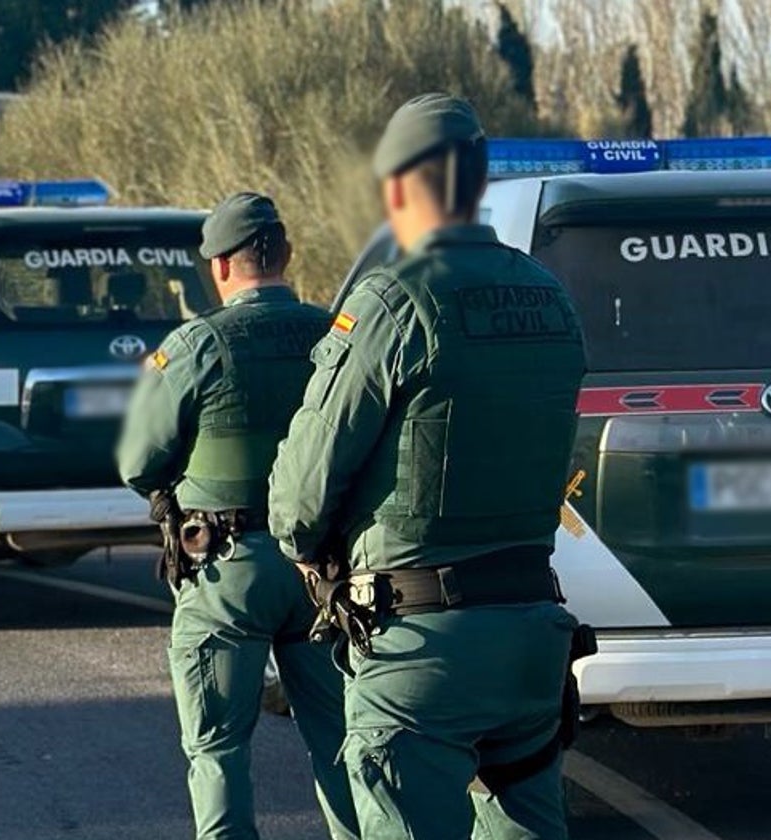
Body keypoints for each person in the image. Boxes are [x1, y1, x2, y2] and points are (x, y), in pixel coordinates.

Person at [268, 93, 589, 839]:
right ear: (476, 182)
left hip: (421, 650)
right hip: (533, 636)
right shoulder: (551, 297)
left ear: (402, 185)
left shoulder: (392, 301)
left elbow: (298, 498)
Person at [116, 192, 358, 840]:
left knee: (218, 747)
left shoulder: (199, 343)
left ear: (221, 267)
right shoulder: (332, 333)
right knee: (341, 741)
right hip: (322, 572)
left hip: (227, 571)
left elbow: (138, 463)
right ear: (288, 254)